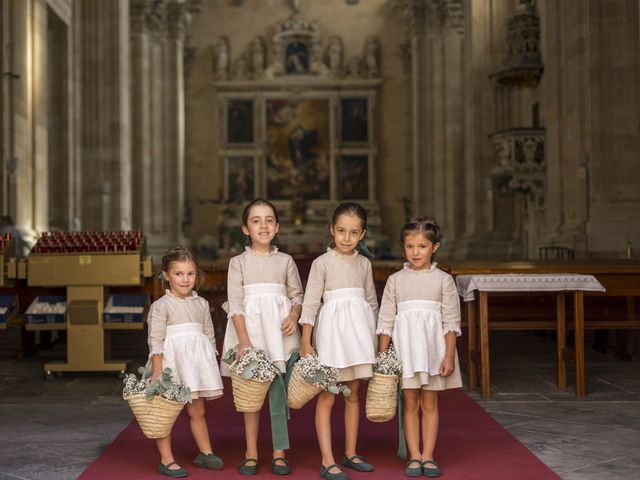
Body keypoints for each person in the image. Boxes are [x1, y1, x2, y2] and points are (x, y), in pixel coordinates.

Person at [221, 198, 303, 476]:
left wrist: (293, 316)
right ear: (245, 229)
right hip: (250, 334)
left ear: (277, 226)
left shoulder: (286, 261)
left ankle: (279, 452)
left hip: (279, 334)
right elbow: (235, 303)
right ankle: (251, 452)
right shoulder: (238, 263)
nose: (263, 225)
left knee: (278, 392)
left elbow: (297, 295)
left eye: (269, 220)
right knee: (251, 395)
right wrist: (244, 340)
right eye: (256, 221)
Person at [376, 217, 462, 478]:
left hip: (434, 351)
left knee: (430, 402)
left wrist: (448, 355)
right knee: (410, 402)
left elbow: (451, 322)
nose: (415, 252)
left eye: (422, 246)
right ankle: (414, 456)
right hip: (406, 352)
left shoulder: (443, 280)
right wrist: (383, 356)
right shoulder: (396, 281)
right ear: (403, 247)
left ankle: (429, 455)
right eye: (410, 246)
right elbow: (385, 321)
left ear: (434, 247)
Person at [299, 202, 378, 480]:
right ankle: (327, 458)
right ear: (332, 230)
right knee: (328, 396)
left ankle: (351, 451)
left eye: (354, 232)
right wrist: (306, 343)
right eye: (341, 231)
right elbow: (310, 305)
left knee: (354, 394)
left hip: (358, 336)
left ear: (362, 234)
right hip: (332, 337)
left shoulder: (364, 264)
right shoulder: (322, 264)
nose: (347, 238)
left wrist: (376, 341)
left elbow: (371, 303)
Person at [147, 246, 225, 478]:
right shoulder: (161, 305)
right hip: (170, 364)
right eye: (179, 274)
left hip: (195, 364)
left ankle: (206, 452)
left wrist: (210, 359)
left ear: (197, 275)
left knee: (197, 409)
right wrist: (158, 369)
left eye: (190, 273)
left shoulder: (200, 303)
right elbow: (155, 339)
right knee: (166, 411)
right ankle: (166, 459)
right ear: (167, 276)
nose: (185, 279)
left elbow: (209, 332)